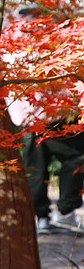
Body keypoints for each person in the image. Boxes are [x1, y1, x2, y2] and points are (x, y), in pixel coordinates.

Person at [8, 90, 84, 234]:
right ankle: (65, 212)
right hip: (58, 116)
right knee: (76, 158)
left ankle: (42, 217)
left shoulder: (7, 68)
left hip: (29, 119)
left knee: (35, 167)